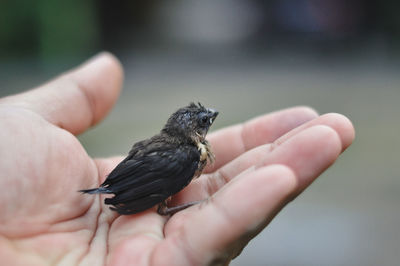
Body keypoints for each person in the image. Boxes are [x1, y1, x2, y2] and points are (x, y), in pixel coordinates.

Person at [0, 53, 355, 265]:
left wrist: (116, 193)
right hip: (130, 181)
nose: (210, 120)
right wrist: (140, 200)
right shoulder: (185, 154)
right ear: (193, 132)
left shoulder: (180, 148)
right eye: (205, 122)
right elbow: (150, 180)